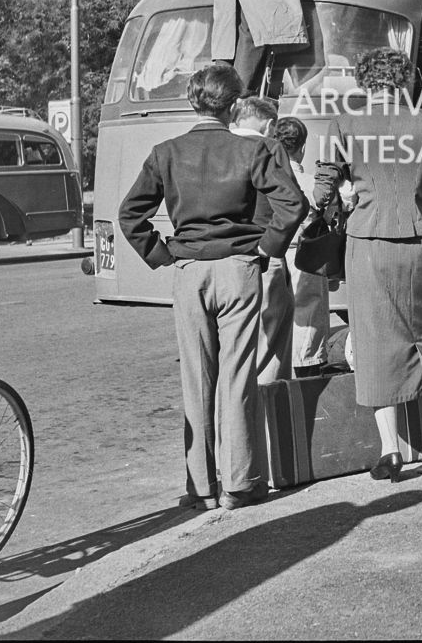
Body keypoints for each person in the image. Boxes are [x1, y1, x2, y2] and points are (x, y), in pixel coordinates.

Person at [118, 65, 307, 511]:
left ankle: (200, 487)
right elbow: (291, 203)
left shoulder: (166, 152)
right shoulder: (256, 149)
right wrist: (266, 247)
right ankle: (240, 484)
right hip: (240, 268)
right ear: (236, 103)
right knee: (239, 373)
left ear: (193, 101)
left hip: (188, 270)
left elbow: (130, 216)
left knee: (197, 378)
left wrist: (162, 254)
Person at [312, 48, 422, 480]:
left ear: (365, 83)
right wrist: (418, 200)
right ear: (402, 80)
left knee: (374, 341)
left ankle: (390, 451)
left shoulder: (344, 123)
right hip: (418, 239)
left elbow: (324, 184)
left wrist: (336, 202)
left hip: (367, 240)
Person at [230, 97, 297, 386]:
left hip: (221, 257)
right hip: (262, 252)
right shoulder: (271, 147)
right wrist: (269, 248)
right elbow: (291, 203)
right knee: (271, 344)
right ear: (269, 124)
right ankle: (269, 426)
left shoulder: (216, 143)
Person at [273, 116, 331, 376]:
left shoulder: (266, 180)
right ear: (303, 147)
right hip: (304, 254)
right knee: (308, 309)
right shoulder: (310, 183)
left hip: (273, 251)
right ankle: (305, 366)